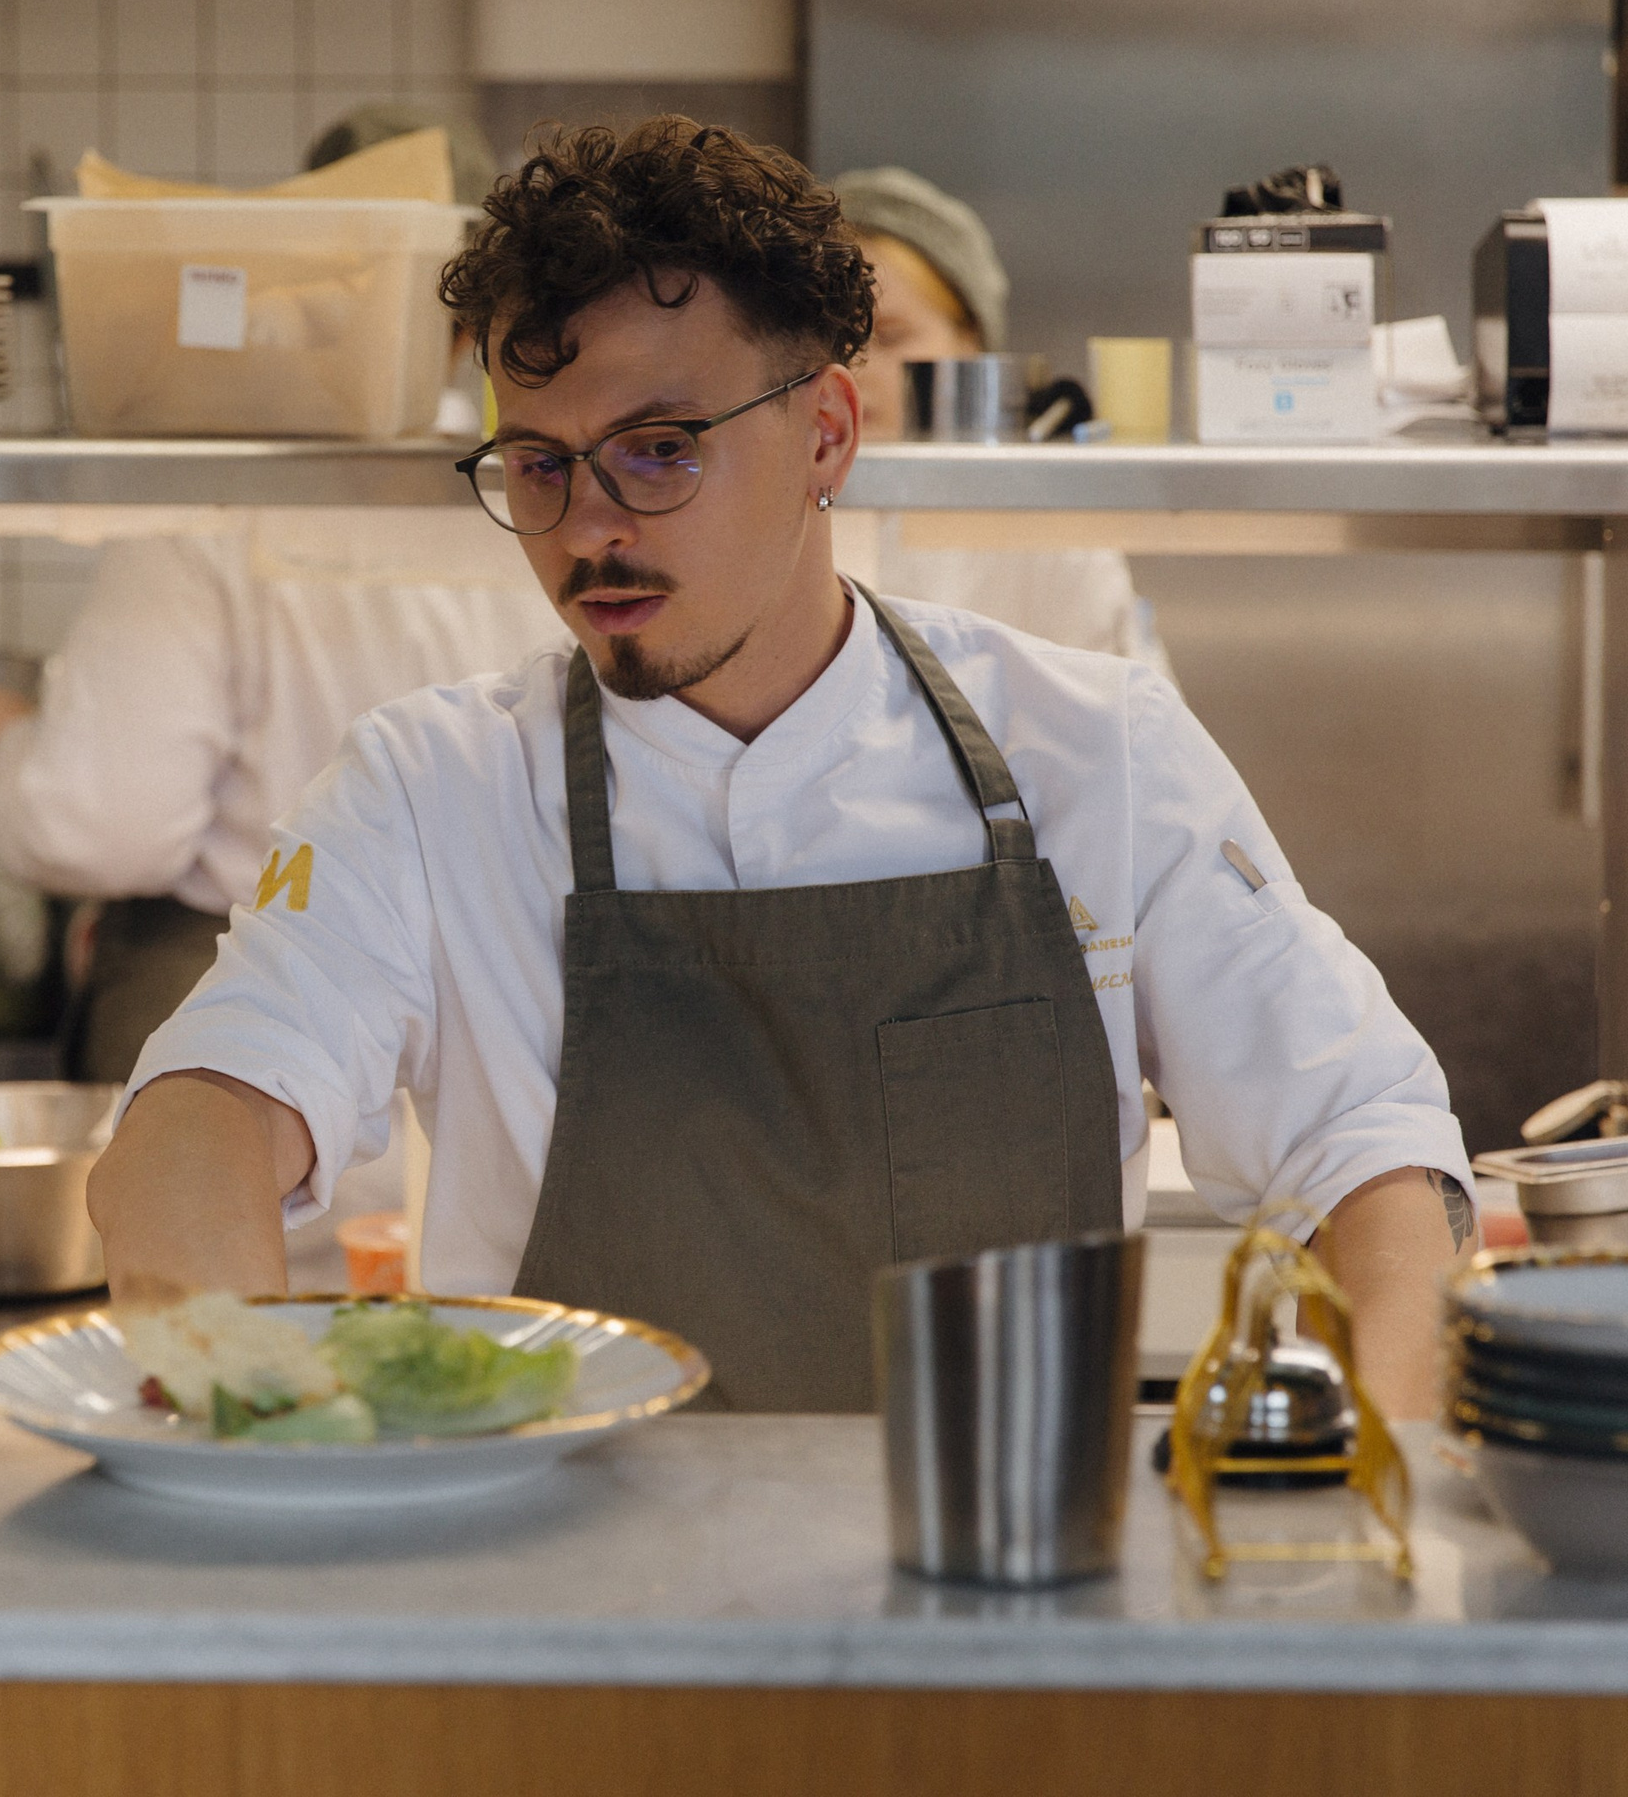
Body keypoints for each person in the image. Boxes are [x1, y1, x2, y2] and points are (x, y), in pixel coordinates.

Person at [86, 118, 1474, 1416]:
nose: (588, 530)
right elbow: (207, 1115)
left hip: (1014, 1550)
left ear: (827, 435)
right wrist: (244, 1401)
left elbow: (1362, 1142)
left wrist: (1385, 1481)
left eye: (658, 452)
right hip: (573, 1575)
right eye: (539, 465)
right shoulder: (431, 787)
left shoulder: (1095, 752)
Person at [0, 109, 560, 1086]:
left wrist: (3, 740)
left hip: (241, 1036)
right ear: (472, 326)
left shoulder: (213, 495)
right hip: (488, 1034)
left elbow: (107, 826)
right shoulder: (542, 498)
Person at [831, 166, 1171, 674]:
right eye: (831, 338)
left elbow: (1127, 705)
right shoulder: (767, 512)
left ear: (970, 340)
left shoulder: (1045, 524)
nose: (853, 367)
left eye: (891, 337)